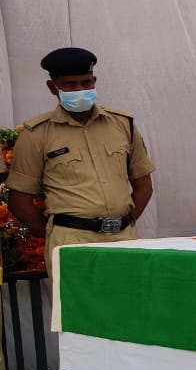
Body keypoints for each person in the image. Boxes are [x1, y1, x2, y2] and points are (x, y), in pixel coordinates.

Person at [9, 47, 155, 271]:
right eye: (70, 84)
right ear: (53, 87)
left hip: (122, 238)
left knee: (126, 304)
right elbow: (20, 201)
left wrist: (127, 222)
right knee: (76, 306)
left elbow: (144, 186)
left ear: (94, 81)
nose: (80, 89)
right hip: (72, 241)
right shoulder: (36, 134)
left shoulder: (122, 124)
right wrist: (56, 233)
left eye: (86, 82)